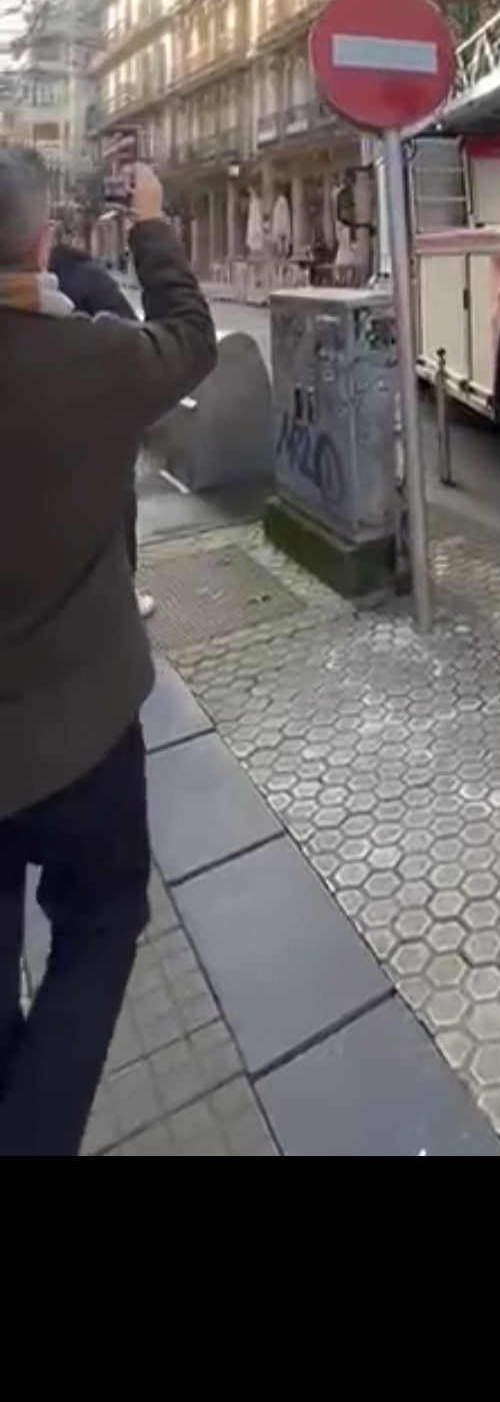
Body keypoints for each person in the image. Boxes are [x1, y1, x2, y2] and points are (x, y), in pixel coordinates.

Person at [0, 151, 217, 1158]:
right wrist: (150, 222)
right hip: (84, 730)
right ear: (43, 240)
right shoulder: (85, 360)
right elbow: (189, 338)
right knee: (99, 925)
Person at [48, 229, 156, 620]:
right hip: (99, 418)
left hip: (43, 427)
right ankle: (121, 591)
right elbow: (142, 337)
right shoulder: (88, 277)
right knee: (116, 499)